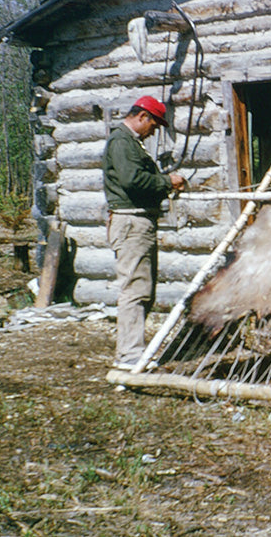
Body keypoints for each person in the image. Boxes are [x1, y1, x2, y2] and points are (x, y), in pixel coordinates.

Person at [102, 96, 187, 369]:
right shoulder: (122, 142)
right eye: (154, 125)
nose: (154, 131)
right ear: (142, 117)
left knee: (143, 289)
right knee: (134, 290)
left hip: (138, 222)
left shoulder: (130, 143)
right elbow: (132, 180)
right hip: (132, 223)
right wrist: (167, 181)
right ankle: (128, 356)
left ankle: (133, 351)